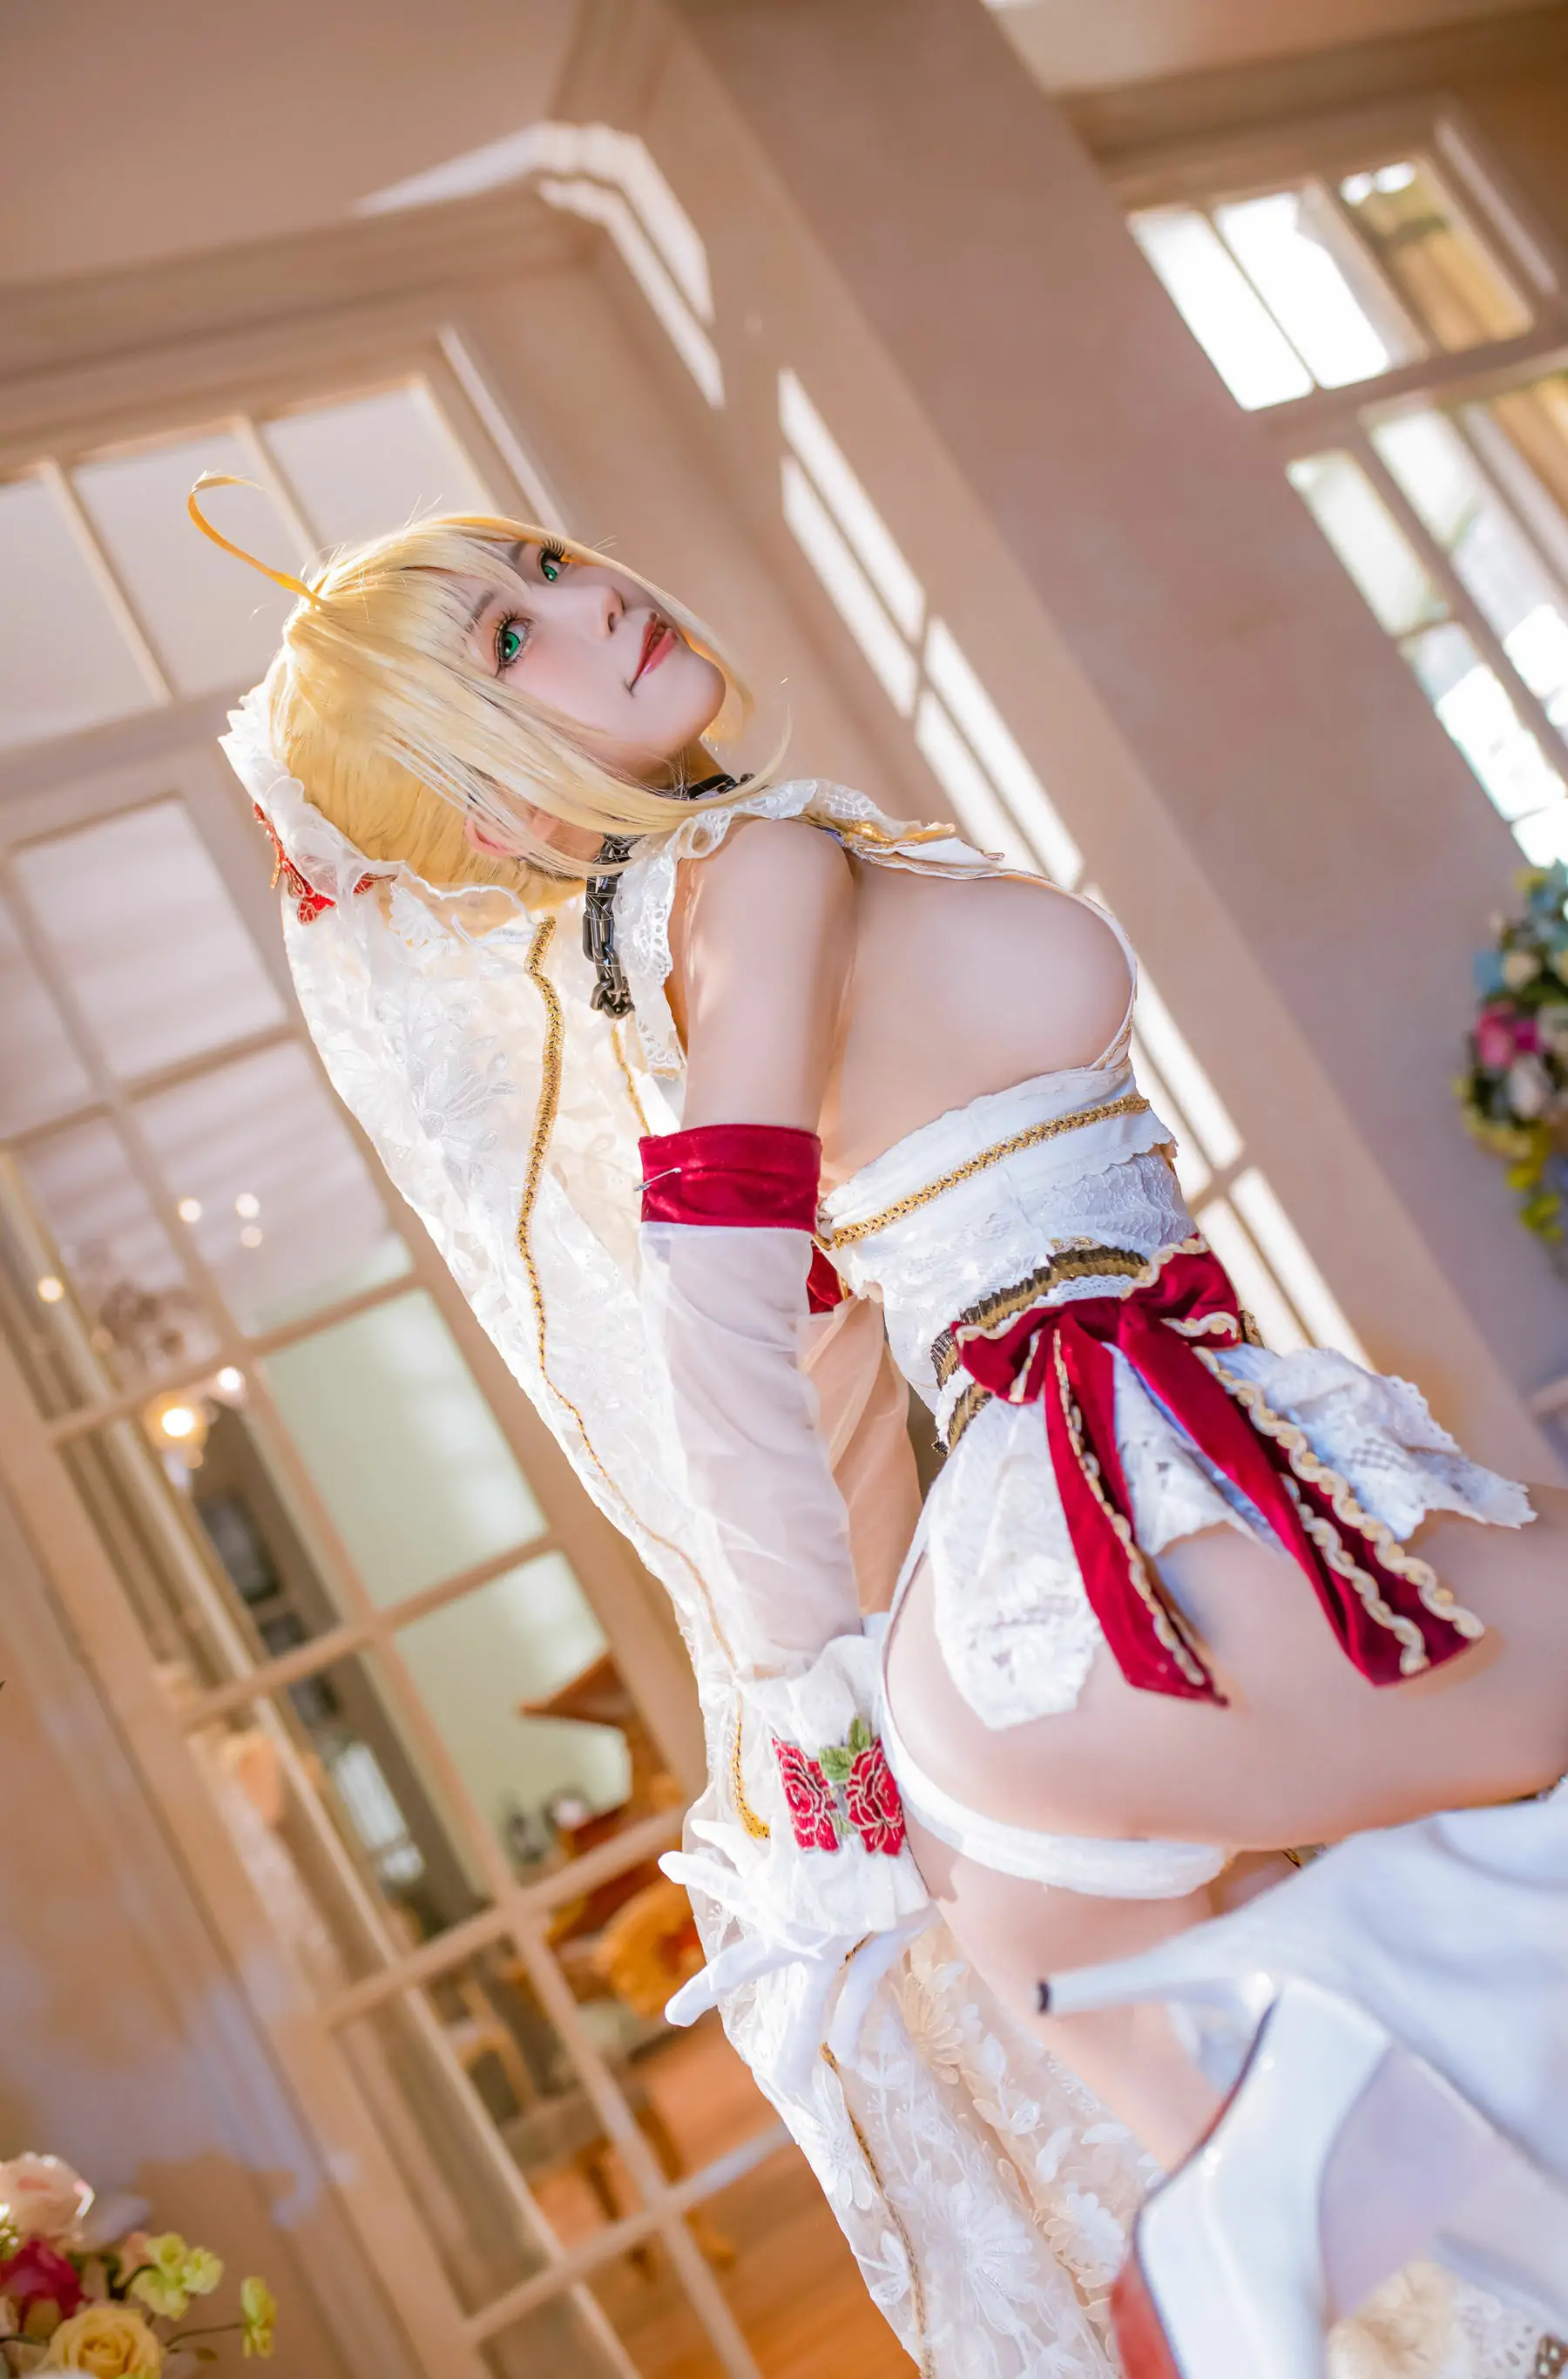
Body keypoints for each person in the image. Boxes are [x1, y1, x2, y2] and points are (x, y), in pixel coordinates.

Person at [193, 477, 1568, 2378]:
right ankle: (1250, 2202)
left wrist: (861, 1730)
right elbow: (721, 1311)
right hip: (1123, 1533)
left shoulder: (710, 903)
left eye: (544, 562)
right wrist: (821, 1709)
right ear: (494, 808)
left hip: (1063, 1588)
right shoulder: (750, 876)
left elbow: (827, 1355)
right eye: (513, 640)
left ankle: (1266, 2192)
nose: (587, 598)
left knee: (1461, 2171)